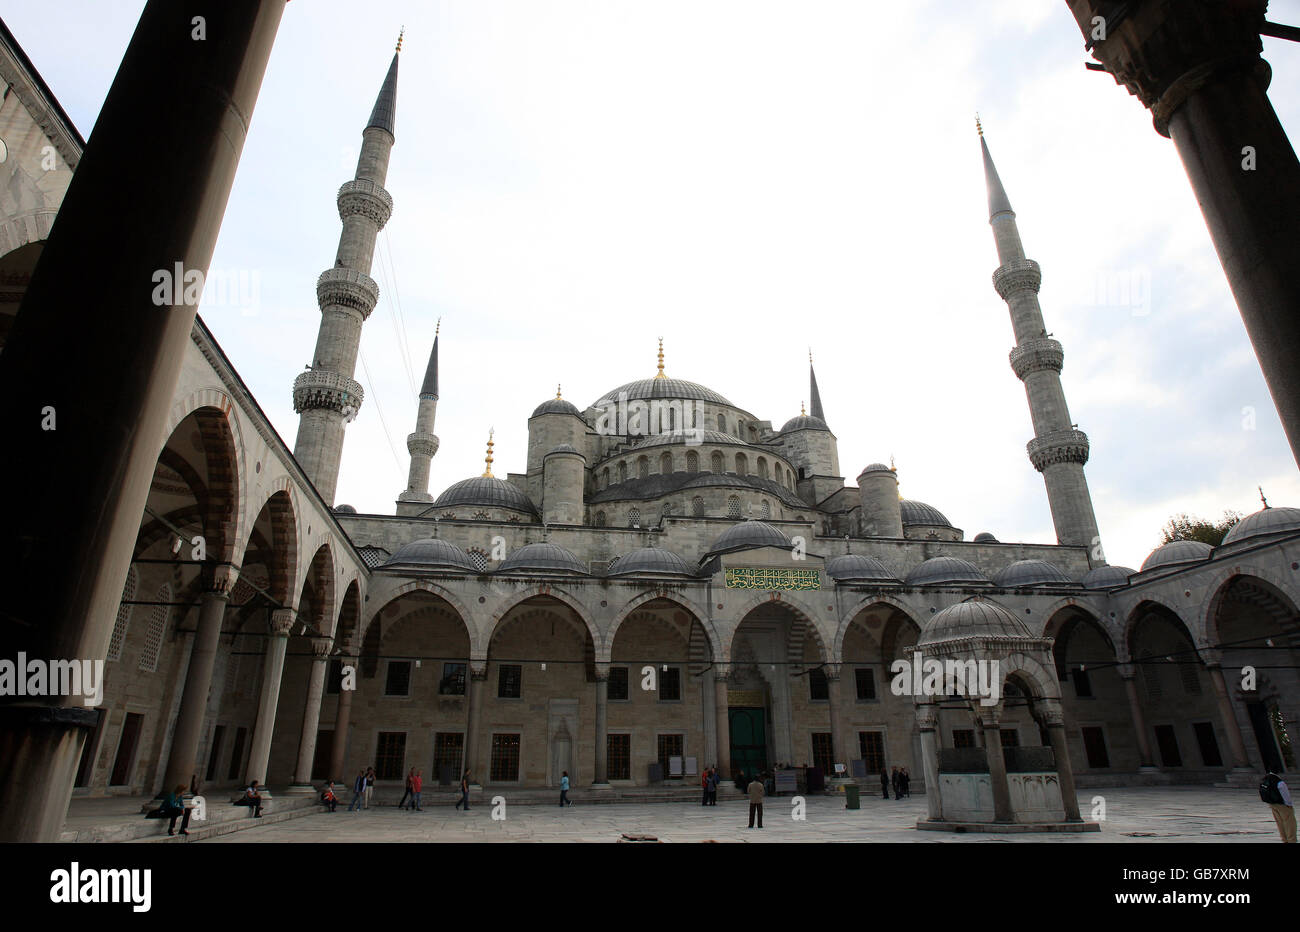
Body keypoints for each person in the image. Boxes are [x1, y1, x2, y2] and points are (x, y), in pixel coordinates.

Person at [1261, 771, 1296, 843]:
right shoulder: (1279, 782)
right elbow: (1286, 795)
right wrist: (1289, 805)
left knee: (1280, 823)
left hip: (1272, 804)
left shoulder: (1267, 779)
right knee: (1289, 823)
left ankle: (1284, 839)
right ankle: (1291, 840)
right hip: (1282, 805)